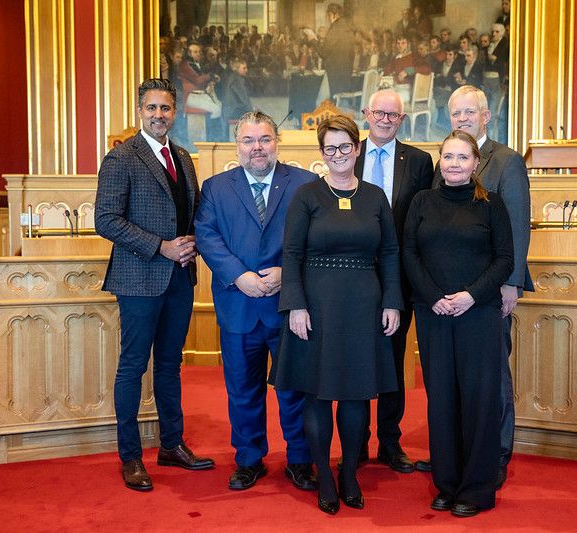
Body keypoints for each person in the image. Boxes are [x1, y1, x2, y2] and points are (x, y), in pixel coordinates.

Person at [271, 115, 403, 514]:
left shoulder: (376, 197)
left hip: (364, 305)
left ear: (358, 148)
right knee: (317, 393)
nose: (338, 155)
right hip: (316, 306)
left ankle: (348, 474)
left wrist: (392, 300)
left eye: (345, 146)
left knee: (356, 393)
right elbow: (291, 253)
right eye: (330, 148)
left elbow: (390, 253)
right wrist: (294, 303)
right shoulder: (307, 196)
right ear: (322, 153)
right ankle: (324, 478)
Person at [95, 78, 214, 491]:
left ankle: (171, 444)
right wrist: (160, 247)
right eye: (151, 108)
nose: (159, 115)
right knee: (133, 366)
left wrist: (192, 242)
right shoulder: (121, 158)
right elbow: (106, 220)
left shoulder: (182, 157)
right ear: (139, 111)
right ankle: (130, 457)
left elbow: (188, 213)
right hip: (139, 278)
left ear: (174, 111)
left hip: (180, 278)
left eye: (165, 108)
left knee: (169, 366)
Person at [194, 111, 318, 492]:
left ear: (277, 142)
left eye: (264, 139)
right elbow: (207, 235)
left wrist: (286, 272)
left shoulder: (305, 184)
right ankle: (249, 459)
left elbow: (317, 239)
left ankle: (300, 459)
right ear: (238, 146)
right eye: (248, 141)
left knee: (295, 390)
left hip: (288, 307)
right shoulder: (216, 188)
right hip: (239, 305)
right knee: (242, 389)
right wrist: (239, 275)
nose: (257, 148)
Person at [416, 86, 533, 488]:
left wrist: (511, 283)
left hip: (489, 294)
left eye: (470, 111)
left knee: (492, 379)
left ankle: (495, 456)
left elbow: (516, 226)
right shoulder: (444, 160)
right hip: (444, 300)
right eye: (456, 113)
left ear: (486, 115)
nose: (463, 118)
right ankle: (455, 455)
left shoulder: (507, 161)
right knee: (450, 381)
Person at [403, 129, 514, 518]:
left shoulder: (492, 205)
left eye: (462, 157)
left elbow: (504, 260)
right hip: (433, 314)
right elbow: (409, 253)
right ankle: (447, 485)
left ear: (474, 163)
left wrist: (469, 296)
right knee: (442, 400)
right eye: (448, 157)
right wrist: (434, 297)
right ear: (440, 161)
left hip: (478, 314)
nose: (454, 164)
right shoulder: (422, 201)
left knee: (479, 401)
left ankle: (477, 488)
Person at [352, 90, 433, 473]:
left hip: (398, 279)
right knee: (353, 359)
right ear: (366, 114)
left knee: (391, 359)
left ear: (402, 120)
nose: (385, 119)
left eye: (393, 115)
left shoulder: (419, 162)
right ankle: (355, 443)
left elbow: (424, 221)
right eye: (379, 112)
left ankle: (389, 441)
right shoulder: (347, 154)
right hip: (350, 277)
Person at [320, 3, 355, 96]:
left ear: (333, 14)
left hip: (335, 73)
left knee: (335, 100)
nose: (328, 18)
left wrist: (312, 40)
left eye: (328, 15)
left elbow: (323, 52)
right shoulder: (348, 27)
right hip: (346, 72)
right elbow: (352, 53)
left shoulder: (335, 28)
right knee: (343, 100)